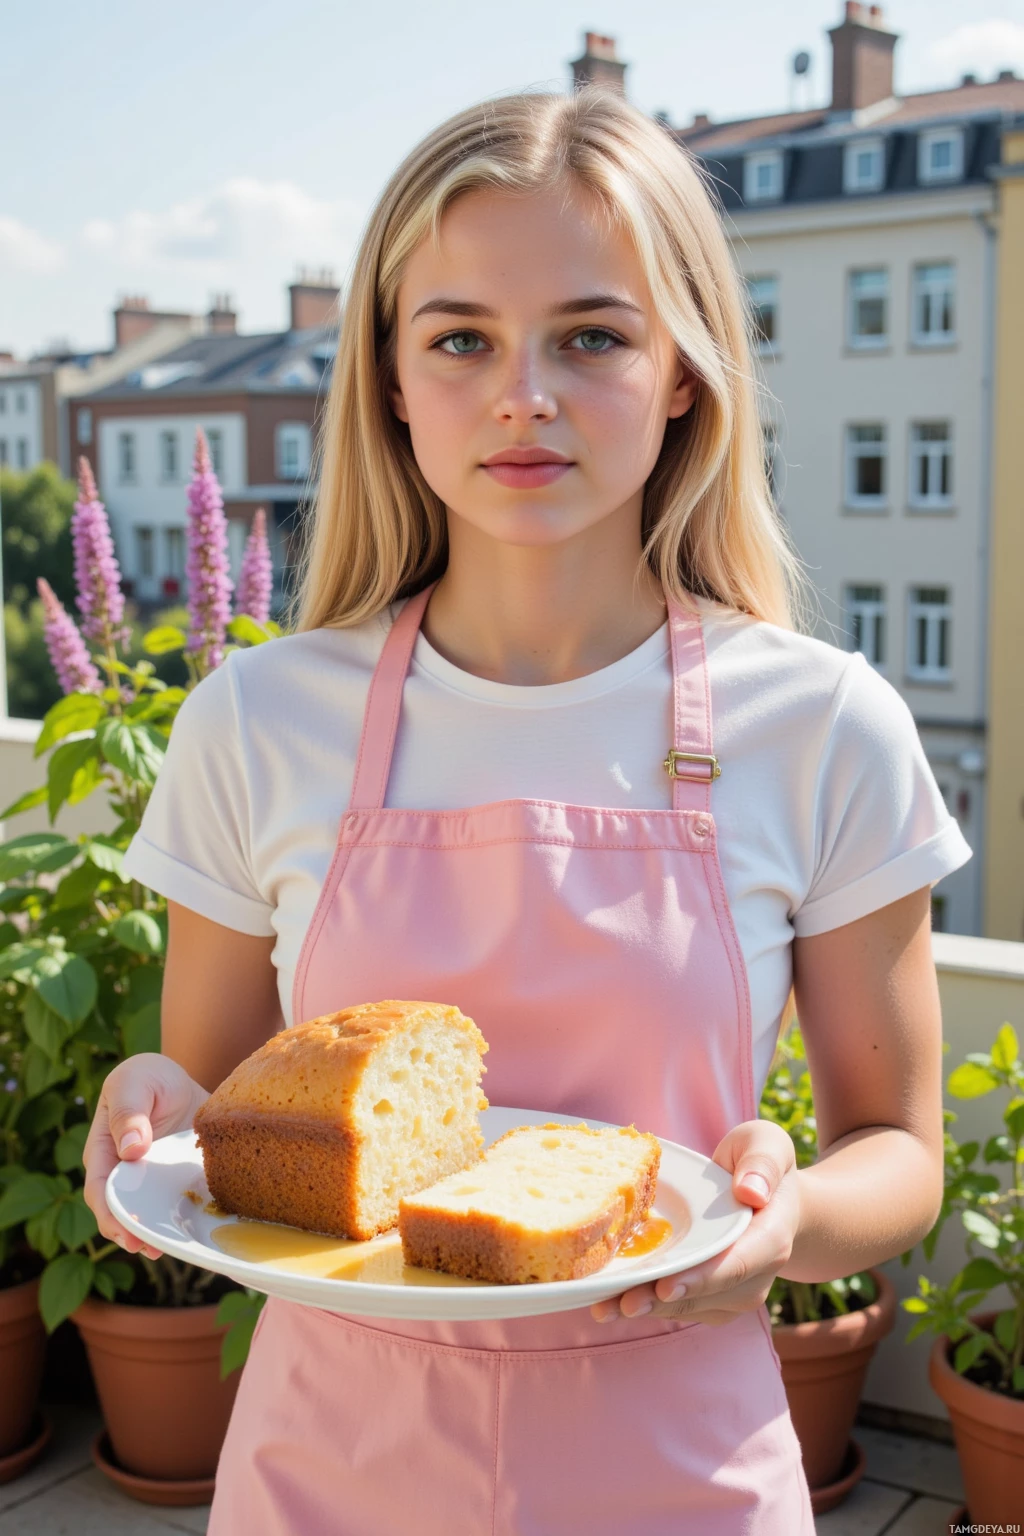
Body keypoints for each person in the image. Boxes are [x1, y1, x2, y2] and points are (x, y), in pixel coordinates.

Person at [83, 88, 970, 1534]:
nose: (524, 395)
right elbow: (216, 1105)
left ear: (684, 368)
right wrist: (146, 1109)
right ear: (388, 378)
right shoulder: (256, 721)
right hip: (333, 1462)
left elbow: (903, 1156)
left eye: (594, 336)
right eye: (461, 341)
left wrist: (793, 1217)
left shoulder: (822, 724)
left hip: (679, 1460)